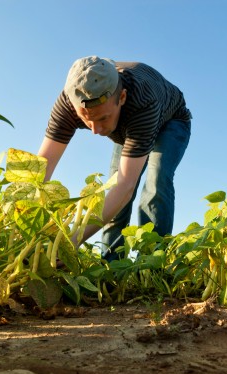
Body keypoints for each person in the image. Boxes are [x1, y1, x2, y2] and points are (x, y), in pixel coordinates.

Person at [38, 56, 192, 261]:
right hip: (125, 125)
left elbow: (125, 186)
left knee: (156, 180)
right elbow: (41, 168)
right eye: (86, 119)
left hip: (170, 121)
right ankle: (110, 265)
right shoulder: (68, 103)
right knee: (113, 193)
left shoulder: (143, 100)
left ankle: (153, 264)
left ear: (122, 97)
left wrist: (70, 241)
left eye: (103, 118)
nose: (96, 130)